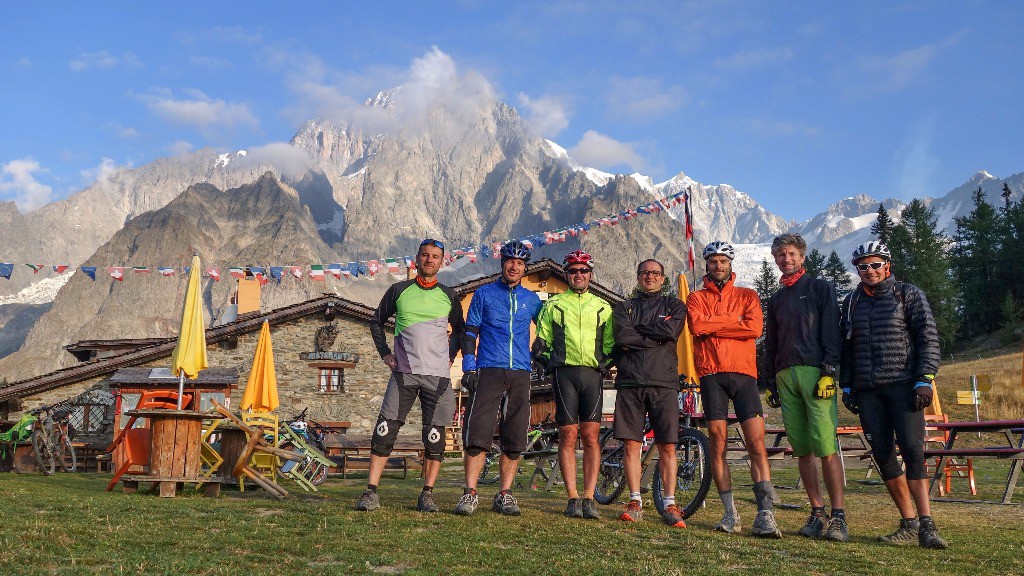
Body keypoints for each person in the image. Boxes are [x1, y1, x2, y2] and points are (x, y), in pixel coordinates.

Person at [840, 241, 947, 549]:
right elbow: (847, 348)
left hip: (904, 386)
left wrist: (925, 378)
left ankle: (927, 524)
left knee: (913, 451)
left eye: (875, 265)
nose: (869, 271)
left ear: (887, 265)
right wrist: (846, 385)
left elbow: (927, 337)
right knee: (884, 455)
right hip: (868, 391)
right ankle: (909, 523)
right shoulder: (851, 302)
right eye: (863, 266)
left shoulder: (908, 294)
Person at [356, 238, 465, 512]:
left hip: (438, 378)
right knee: (385, 431)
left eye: (435, 256)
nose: (429, 260)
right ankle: (370, 492)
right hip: (403, 373)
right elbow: (376, 321)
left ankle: (427, 494)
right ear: (417, 259)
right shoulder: (398, 290)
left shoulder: (449, 296)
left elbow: (460, 331)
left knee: (435, 436)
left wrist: (450, 356)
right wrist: (385, 354)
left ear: (442, 262)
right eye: (425, 255)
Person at [687, 241, 780, 537]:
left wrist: (715, 324)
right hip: (712, 375)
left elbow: (754, 329)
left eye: (723, 261)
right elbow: (696, 327)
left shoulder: (748, 295)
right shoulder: (695, 297)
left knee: (756, 443)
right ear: (706, 265)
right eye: (713, 261)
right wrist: (733, 321)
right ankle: (730, 514)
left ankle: (765, 514)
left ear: (730, 263)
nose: (718, 266)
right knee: (718, 443)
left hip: (744, 375)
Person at [763, 233, 848, 541]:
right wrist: (770, 381)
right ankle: (816, 513)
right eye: (780, 255)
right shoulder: (776, 299)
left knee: (825, 445)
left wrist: (829, 372)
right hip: (785, 375)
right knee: (802, 449)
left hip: (815, 373)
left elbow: (831, 332)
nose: (786, 259)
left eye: (791, 254)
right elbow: (770, 342)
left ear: (802, 256)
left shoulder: (820, 288)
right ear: (775, 259)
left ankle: (838, 517)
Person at [455, 240, 543, 516]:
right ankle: (470, 493)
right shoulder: (483, 294)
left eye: (519, 263)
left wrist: (542, 348)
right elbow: (470, 333)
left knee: (515, 435)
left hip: (520, 371)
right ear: (502, 263)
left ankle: (505, 494)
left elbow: (548, 328)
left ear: (525, 268)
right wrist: (469, 367)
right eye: (510, 261)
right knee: (478, 432)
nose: (514, 266)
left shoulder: (531, 299)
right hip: (488, 368)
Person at [534, 250, 615, 520]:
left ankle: (589, 498)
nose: (578, 275)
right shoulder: (554, 305)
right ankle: (571, 497)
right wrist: (549, 363)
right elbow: (541, 342)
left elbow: (611, 344)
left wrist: (605, 364)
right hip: (564, 374)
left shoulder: (603, 307)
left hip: (592, 375)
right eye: (573, 271)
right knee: (568, 435)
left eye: (583, 270)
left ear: (591, 274)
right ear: (567, 274)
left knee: (591, 436)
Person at [611, 258, 689, 527]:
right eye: (645, 273)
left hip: (664, 383)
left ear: (663, 277)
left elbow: (671, 330)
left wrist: (639, 336)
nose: (650, 277)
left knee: (668, 445)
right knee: (631, 444)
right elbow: (622, 337)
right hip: (630, 382)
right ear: (637, 276)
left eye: (655, 273)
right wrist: (654, 337)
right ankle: (635, 500)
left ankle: (670, 503)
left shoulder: (675, 305)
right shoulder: (624, 307)